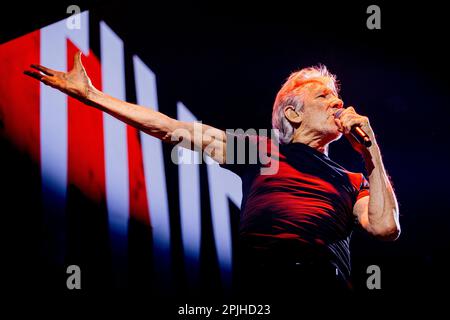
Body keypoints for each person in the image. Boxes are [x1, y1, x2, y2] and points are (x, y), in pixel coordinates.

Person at [24, 52, 400, 299]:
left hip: (324, 286)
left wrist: (370, 152)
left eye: (337, 97)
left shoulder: (353, 179)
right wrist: (93, 96)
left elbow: (384, 228)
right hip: (261, 287)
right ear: (293, 114)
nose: (338, 103)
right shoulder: (262, 152)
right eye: (323, 97)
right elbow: (173, 130)